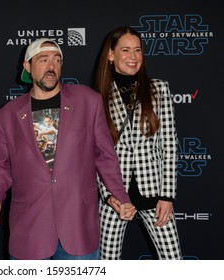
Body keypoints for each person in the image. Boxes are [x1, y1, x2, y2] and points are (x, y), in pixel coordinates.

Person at [0, 38, 136, 260]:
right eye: (43, 60)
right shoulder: (6, 116)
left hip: (77, 224)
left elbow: (105, 157)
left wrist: (120, 196)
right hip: (30, 228)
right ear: (27, 67)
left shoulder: (88, 101)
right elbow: (1, 167)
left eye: (56, 60)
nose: (51, 66)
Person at [95, 26, 182, 259]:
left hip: (154, 193)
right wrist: (108, 195)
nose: (133, 57)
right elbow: (95, 153)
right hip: (114, 196)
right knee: (107, 265)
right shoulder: (97, 96)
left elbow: (170, 146)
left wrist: (167, 195)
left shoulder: (159, 89)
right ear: (111, 55)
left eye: (137, 50)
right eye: (125, 50)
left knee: (174, 261)